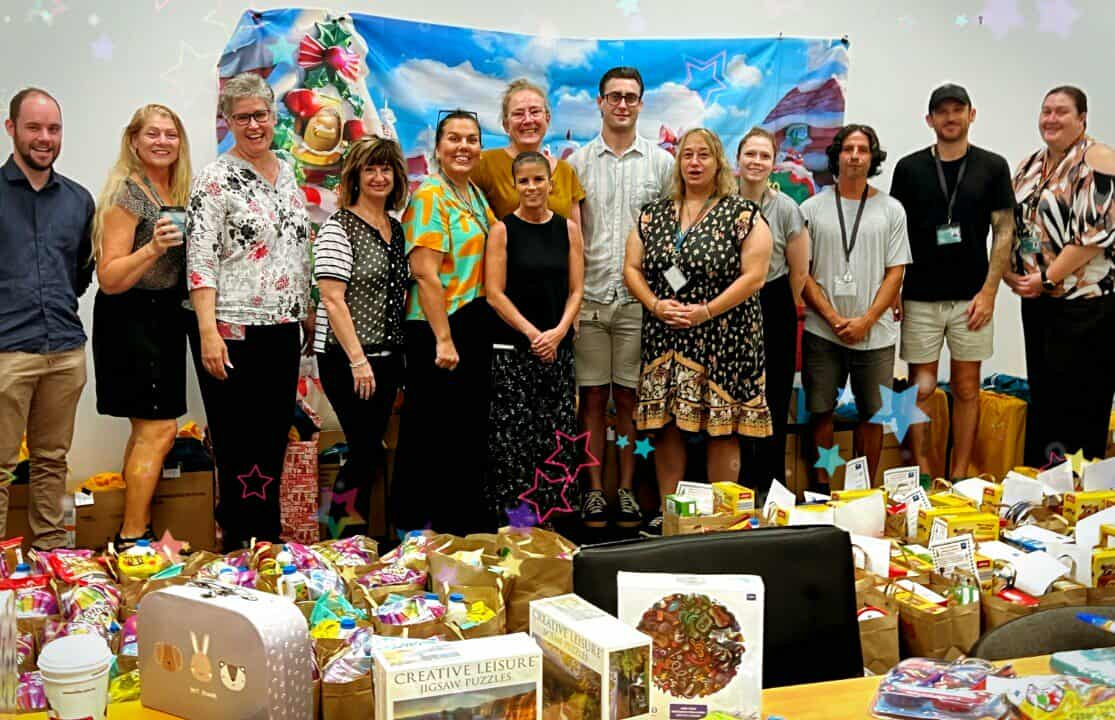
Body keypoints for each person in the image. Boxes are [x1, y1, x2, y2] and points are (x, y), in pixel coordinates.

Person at [624, 128, 773, 535]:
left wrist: (706, 311)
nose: (694, 162)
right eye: (687, 155)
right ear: (678, 162)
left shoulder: (742, 214)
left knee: (722, 428)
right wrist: (655, 304)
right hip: (666, 333)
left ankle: (721, 519)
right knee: (667, 425)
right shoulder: (653, 214)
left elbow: (755, 276)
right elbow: (631, 268)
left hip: (725, 335)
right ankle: (671, 514)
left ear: (718, 162)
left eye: (703, 155)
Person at [186, 73, 312, 551]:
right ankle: (240, 545)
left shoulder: (288, 171)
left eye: (260, 115)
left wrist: (304, 308)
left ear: (273, 116)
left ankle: (268, 544)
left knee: (272, 441)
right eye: (242, 118)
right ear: (228, 122)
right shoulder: (214, 180)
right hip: (231, 329)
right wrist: (207, 332)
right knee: (238, 448)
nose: (254, 125)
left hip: (281, 328)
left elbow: (295, 248)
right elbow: (200, 260)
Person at [890, 85, 1015, 479]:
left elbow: (1004, 230)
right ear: (929, 120)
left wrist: (990, 292)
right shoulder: (909, 168)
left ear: (971, 115)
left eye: (957, 110)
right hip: (920, 298)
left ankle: (959, 474)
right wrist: (894, 289)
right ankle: (925, 474)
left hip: (972, 300)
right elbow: (896, 234)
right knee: (922, 389)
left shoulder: (993, 166)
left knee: (966, 388)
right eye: (941, 112)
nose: (950, 118)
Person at [567, 67, 673, 530]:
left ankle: (626, 490)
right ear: (600, 102)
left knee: (629, 399)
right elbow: (571, 237)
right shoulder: (577, 163)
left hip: (637, 301)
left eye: (631, 96)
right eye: (614, 96)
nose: (623, 104)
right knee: (591, 397)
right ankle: (594, 492)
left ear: (641, 104)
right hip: (590, 298)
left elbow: (671, 234)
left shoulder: (661, 164)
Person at [91, 104, 194, 548]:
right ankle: (133, 537)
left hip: (165, 316)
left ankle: (135, 532)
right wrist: (152, 247)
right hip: (131, 318)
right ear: (133, 140)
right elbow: (109, 277)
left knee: (147, 430)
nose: (162, 141)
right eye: (152, 133)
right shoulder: (129, 194)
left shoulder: (178, 190)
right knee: (160, 429)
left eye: (170, 134)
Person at [393, 110, 497, 535]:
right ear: (437, 147)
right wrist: (443, 338)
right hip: (437, 327)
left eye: (471, 139)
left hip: (471, 324)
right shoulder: (430, 195)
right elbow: (424, 272)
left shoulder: (473, 195)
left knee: (463, 435)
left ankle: (458, 531)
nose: (463, 147)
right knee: (429, 433)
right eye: (454, 138)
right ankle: (415, 531)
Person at [0, 88, 94, 550]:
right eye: (34, 127)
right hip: (6, 353)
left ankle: (49, 555)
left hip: (65, 351)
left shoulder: (79, 200)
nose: (44, 138)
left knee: (52, 460)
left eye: (53, 129)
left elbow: (80, 273)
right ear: (11, 128)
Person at [1006, 86, 1115, 466]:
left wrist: (1048, 277)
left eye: (1061, 111)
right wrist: (1009, 273)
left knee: (1081, 404)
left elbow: (1095, 236)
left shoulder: (1098, 159)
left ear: (1082, 118)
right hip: (1039, 303)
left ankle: (1080, 491)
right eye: (1046, 111)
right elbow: (1014, 223)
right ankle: (1045, 485)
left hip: (1085, 306)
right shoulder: (1031, 164)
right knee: (1045, 402)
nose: (1051, 119)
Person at [802, 125, 911, 487]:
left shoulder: (891, 210)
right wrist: (832, 317)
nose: (854, 156)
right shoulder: (811, 209)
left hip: (875, 334)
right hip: (823, 331)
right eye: (848, 148)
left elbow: (896, 272)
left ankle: (862, 491)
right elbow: (802, 273)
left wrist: (867, 320)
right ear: (837, 156)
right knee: (820, 411)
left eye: (863, 149)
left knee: (873, 415)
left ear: (872, 158)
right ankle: (820, 488)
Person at [313, 136, 409, 538]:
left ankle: (361, 540)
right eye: (370, 169)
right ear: (355, 176)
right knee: (363, 449)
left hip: (388, 358)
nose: (379, 177)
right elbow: (333, 300)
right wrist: (358, 361)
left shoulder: (396, 229)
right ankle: (341, 540)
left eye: (386, 169)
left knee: (369, 452)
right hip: (346, 358)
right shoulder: (338, 228)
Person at [484, 151, 584, 526]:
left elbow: (577, 289)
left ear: (550, 183)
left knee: (555, 439)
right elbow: (494, 293)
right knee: (514, 443)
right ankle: (516, 526)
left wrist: (558, 333)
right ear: (514, 185)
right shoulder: (502, 230)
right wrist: (532, 334)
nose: (531, 187)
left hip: (557, 352)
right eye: (523, 181)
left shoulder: (568, 229)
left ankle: (555, 527)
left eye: (538, 179)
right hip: (514, 352)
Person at [735, 127, 810, 489]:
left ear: (774, 163)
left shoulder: (786, 209)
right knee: (733, 398)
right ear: (738, 159)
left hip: (774, 304)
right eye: (750, 154)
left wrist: (778, 305)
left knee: (773, 398)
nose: (757, 161)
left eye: (764, 156)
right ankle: (737, 483)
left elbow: (799, 271)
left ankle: (772, 485)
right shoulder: (720, 203)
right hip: (729, 306)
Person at [471, 78, 585, 227]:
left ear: (547, 119)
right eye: (518, 114)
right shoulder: (484, 164)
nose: (528, 120)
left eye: (535, 112)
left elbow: (576, 233)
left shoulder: (565, 171)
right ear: (506, 125)